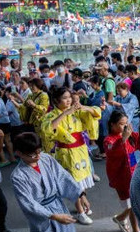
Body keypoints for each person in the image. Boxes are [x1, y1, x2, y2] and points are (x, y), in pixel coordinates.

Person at [9, 132, 83, 232]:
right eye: (32, 154)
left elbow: (63, 177)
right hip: (40, 213)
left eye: (38, 151)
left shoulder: (46, 159)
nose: (37, 156)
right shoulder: (18, 176)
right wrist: (53, 216)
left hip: (56, 204)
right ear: (19, 153)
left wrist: (80, 194)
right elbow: (28, 203)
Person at [40, 88, 102, 224]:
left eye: (69, 97)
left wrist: (84, 107)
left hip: (80, 150)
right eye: (64, 98)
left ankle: (82, 203)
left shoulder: (76, 111)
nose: (68, 100)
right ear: (56, 100)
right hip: (66, 152)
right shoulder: (51, 115)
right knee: (74, 183)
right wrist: (65, 113)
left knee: (82, 180)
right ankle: (80, 212)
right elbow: (47, 129)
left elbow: (96, 113)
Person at [104, 110, 140, 232]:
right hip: (121, 176)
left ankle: (121, 218)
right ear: (112, 125)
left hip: (133, 171)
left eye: (126, 123)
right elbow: (112, 153)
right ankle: (135, 231)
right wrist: (123, 139)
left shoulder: (129, 135)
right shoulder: (109, 140)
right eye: (121, 124)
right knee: (132, 204)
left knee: (134, 203)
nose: (125, 127)